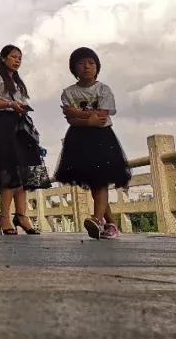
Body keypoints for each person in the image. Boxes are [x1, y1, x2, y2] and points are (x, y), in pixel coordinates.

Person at [54, 47, 132, 240]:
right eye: (81, 63)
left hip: (102, 137)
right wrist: (87, 119)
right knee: (94, 182)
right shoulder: (68, 92)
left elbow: (103, 115)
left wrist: (76, 112)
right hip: (79, 138)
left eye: (91, 63)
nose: (86, 67)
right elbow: (70, 119)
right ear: (74, 69)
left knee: (101, 180)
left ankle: (97, 220)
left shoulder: (103, 89)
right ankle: (111, 224)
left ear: (97, 67)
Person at [0, 44, 51, 235]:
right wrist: (10, 103)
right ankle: (4, 217)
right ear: (3, 58)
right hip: (5, 123)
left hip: (21, 125)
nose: (17, 60)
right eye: (13, 57)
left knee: (23, 170)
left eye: (19, 57)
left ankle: (21, 215)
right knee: (8, 169)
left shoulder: (17, 81)